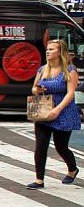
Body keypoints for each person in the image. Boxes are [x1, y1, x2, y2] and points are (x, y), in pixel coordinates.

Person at [27, 39, 80, 189]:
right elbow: (33, 88)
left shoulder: (69, 70)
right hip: (44, 110)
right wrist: (37, 90)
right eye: (47, 49)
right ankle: (39, 180)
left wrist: (58, 110)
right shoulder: (42, 69)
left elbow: (71, 93)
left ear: (60, 52)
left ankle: (72, 169)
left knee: (61, 147)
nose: (48, 51)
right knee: (41, 145)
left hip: (64, 112)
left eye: (52, 49)